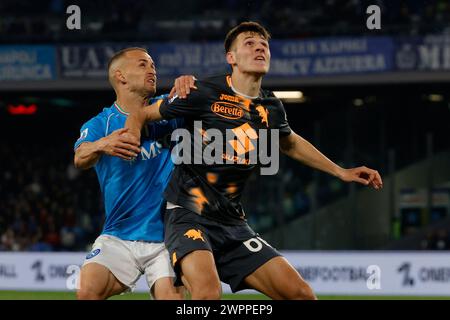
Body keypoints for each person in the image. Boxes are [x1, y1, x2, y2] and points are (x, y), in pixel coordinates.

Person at [125, 22, 383, 300]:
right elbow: (142, 115)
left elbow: (290, 142)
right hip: (188, 215)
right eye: (249, 43)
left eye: (264, 44)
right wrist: (129, 143)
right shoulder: (203, 92)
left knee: (302, 295)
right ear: (231, 58)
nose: (260, 47)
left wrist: (341, 172)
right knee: (207, 294)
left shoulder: (271, 107)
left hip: (232, 224)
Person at [73, 47, 195, 300]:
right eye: (143, 65)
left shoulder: (167, 109)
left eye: (153, 65)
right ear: (121, 76)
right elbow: (80, 157)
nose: (152, 69)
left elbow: (205, 98)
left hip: (166, 235)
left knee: (171, 299)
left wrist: (190, 83)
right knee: (87, 291)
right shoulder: (101, 123)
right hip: (118, 234)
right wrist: (102, 144)